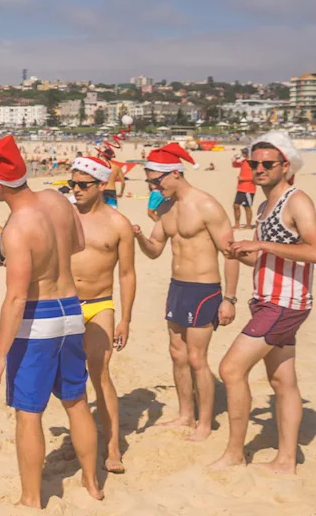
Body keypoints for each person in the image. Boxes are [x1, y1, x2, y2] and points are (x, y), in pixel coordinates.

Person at [0, 135, 103, 506]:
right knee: (76, 402)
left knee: (28, 413)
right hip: (71, 310)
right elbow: (78, 244)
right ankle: (93, 484)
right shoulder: (57, 199)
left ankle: (31, 499)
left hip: (39, 318)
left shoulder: (17, 227)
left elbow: (16, 298)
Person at [211, 131, 316, 474]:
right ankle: (286, 460)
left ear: (285, 165)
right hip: (267, 301)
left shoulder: (296, 200)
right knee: (282, 382)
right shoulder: (264, 206)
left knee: (231, 369)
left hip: (284, 302)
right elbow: (267, 260)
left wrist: (262, 247)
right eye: (253, 163)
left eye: (267, 164)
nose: (258, 169)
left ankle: (235, 453)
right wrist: (242, 251)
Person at [133, 143, 240, 441]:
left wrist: (229, 299)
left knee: (196, 358)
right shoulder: (165, 208)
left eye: (157, 180)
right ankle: (185, 414)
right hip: (177, 287)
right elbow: (155, 250)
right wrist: (140, 237)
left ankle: (205, 423)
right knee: (176, 353)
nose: (154, 187)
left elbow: (229, 253)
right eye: (150, 182)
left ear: (176, 174)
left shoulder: (206, 205)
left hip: (204, 289)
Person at [69, 156, 136, 473]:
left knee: (100, 372)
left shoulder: (118, 223)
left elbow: (127, 274)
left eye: (83, 185)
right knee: (71, 376)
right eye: (73, 184)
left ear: (101, 185)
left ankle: (112, 447)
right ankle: (80, 438)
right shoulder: (65, 216)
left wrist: (126, 318)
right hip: (66, 303)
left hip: (100, 303)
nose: (76, 190)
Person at [231, 147, 256, 229]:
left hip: (249, 189)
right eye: (243, 152)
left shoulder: (253, 163)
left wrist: (243, 178)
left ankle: (248, 225)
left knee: (247, 207)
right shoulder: (244, 161)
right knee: (236, 206)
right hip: (240, 188)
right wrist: (234, 159)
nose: (243, 154)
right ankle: (237, 224)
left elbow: (256, 177)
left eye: (245, 152)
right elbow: (235, 165)